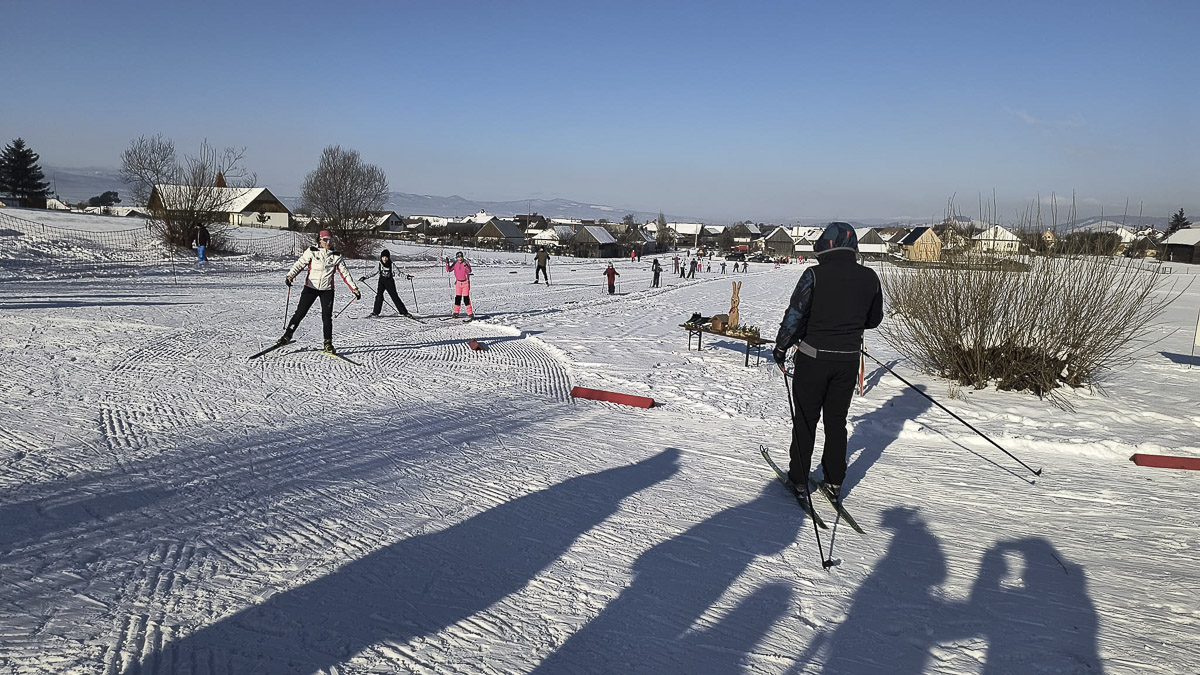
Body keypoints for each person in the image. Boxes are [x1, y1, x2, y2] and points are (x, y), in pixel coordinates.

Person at [773, 222, 883, 504]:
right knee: (836, 422)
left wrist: (782, 347)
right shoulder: (870, 277)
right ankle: (834, 480)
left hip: (813, 359)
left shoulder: (814, 275)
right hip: (847, 361)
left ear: (826, 247)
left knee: (806, 420)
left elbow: (795, 314)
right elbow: (874, 319)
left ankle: (798, 479)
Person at [278, 230, 361, 354]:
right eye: (325, 240)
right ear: (320, 240)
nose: (328, 242)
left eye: (331, 240)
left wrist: (354, 288)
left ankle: (328, 343)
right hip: (310, 288)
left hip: (327, 290)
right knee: (300, 313)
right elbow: (300, 264)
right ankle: (287, 336)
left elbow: (345, 273)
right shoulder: (312, 251)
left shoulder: (336, 255)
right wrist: (290, 276)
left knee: (327, 317)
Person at [360, 248, 413, 317]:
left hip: (389, 281)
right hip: (381, 281)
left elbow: (399, 273)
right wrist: (365, 277)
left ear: (388, 258)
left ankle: (404, 312)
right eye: (383, 257)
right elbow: (373, 273)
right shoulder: (379, 264)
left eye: (386, 257)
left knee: (394, 297)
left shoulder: (391, 265)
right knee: (379, 296)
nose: (384, 259)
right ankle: (375, 312)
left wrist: (406, 277)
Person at [446, 251, 474, 319]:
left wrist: (465, 266)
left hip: (465, 283)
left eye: (461, 257)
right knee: (458, 298)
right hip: (458, 283)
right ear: (457, 258)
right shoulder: (455, 263)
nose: (460, 259)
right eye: (458, 257)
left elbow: (469, 271)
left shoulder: (466, 263)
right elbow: (449, 269)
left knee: (466, 298)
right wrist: (447, 263)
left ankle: (470, 313)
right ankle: (456, 312)